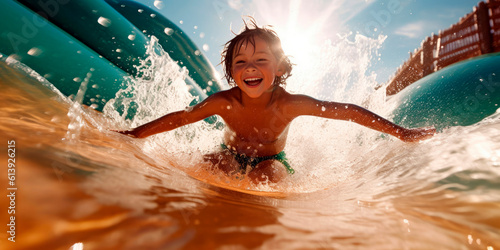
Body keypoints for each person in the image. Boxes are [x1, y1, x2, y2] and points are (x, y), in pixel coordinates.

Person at [116, 18, 436, 184]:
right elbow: (182, 118)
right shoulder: (223, 102)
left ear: (279, 68)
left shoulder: (289, 104)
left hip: (271, 160)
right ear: (230, 73)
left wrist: (402, 132)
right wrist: (134, 135)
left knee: (265, 178)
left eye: (260, 60)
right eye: (240, 63)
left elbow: (347, 112)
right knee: (214, 166)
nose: (250, 68)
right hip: (230, 152)